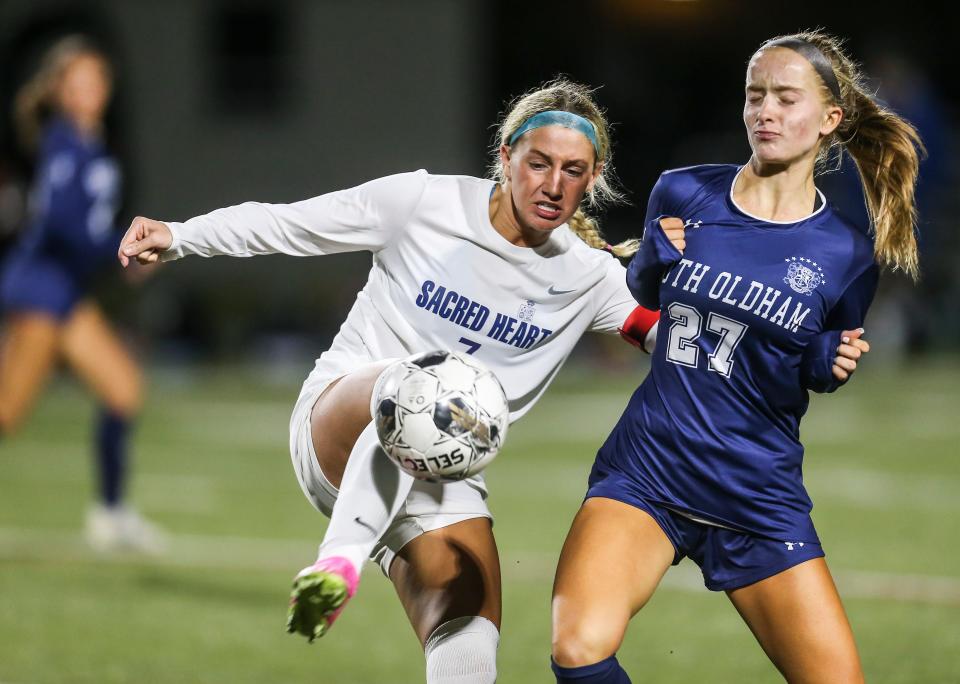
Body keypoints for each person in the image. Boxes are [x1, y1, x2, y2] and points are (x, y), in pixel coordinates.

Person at [118, 79, 663, 684]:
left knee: (469, 647)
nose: (553, 184)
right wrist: (180, 236)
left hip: (441, 475)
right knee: (422, 384)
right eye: (538, 163)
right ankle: (337, 564)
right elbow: (289, 225)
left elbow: (680, 340)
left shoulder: (591, 277)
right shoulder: (423, 203)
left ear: (594, 177)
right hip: (341, 422)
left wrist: (693, 273)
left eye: (572, 170)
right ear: (506, 157)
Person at [550, 30, 923, 684]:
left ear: (830, 119)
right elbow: (647, 296)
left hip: (756, 491)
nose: (765, 112)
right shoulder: (683, 192)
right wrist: (650, 266)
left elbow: (808, 366)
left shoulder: (845, 255)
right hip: (649, 472)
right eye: (756, 97)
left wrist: (825, 363)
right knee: (578, 647)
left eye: (786, 97)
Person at [0, 36, 165, 553]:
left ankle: (110, 515)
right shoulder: (64, 142)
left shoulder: (91, 143)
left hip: (66, 295)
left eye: (96, 81)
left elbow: (85, 224)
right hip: (41, 291)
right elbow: (60, 222)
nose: (89, 91)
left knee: (123, 390)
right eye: (78, 83)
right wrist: (118, 249)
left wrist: (119, 252)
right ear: (61, 91)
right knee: (7, 413)